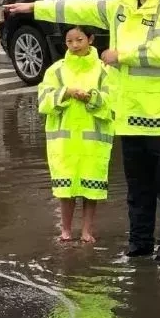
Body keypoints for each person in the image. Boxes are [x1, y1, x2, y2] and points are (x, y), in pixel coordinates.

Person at [8, 0, 160, 263]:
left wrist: (122, 55)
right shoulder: (122, 5)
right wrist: (36, 8)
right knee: (138, 192)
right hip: (129, 117)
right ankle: (139, 247)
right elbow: (83, 7)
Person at [37, 26, 114, 244]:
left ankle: (87, 231)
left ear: (90, 39)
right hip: (64, 142)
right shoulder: (56, 70)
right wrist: (66, 93)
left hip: (93, 142)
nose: (75, 45)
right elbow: (43, 102)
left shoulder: (104, 70)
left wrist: (91, 98)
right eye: (70, 41)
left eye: (79, 40)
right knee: (66, 189)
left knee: (91, 190)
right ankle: (66, 230)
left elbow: (112, 103)